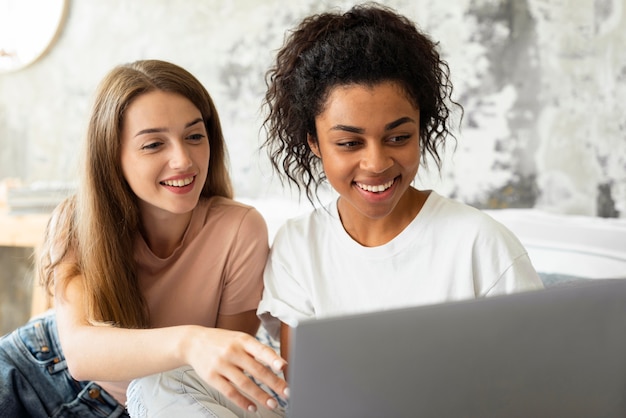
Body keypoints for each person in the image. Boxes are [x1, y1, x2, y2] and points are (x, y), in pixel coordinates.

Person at [256, 2, 544, 376]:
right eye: (348, 143)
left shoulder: (480, 243)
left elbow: (538, 375)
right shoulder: (299, 246)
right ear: (314, 142)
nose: (376, 163)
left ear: (420, 130)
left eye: (398, 137)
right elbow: (308, 393)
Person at [0, 59, 288, 417]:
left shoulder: (240, 229)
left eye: (194, 136)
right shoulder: (76, 221)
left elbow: (220, 378)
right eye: (153, 145)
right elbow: (80, 354)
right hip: (37, 371)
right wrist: (189, 340)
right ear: (112, 155)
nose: (183, 159)